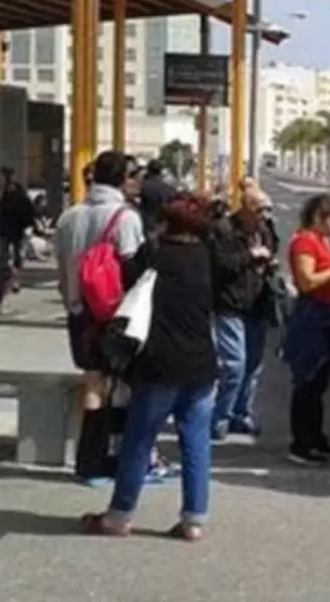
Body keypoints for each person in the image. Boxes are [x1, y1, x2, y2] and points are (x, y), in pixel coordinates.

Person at [80, 193, 219, 541]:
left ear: (167, 223)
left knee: (139, 438)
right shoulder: (207, 257)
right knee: (196, 441)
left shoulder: (155, 254)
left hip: (159, 362)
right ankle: (194, 520)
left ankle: (119, 515)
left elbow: (126, 285)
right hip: (201, 361)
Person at [53, 151, 147, 484]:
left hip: (80, 314)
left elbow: (62, 270)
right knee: (125, 387)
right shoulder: (126, 218)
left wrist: (73, 303)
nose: (138, 180)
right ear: (122, 178)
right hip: (115, 314)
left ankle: (88, 459)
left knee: (93, 383)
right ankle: (119, 458)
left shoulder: (69, 216)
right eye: (134, 173)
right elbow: (133, 269)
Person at [283, 194, 330, 466]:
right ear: (317, 218)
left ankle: (315, 436)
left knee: (320, 380)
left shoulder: (320, 241)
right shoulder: (305, 242)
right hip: (313, 316)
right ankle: (301, 442)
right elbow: (307, 281)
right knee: (308, 381)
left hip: (328, 314)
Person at [208, 194, 273, 440]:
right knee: (235, 363)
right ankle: (219, 416)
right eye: (260, 211)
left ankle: (241, 413)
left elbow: (270, 251)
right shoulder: (224, 230)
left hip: (256, 304)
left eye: (267, 211)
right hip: (230, 304)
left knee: (253, 365)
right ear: (246, 209)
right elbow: (220, 264)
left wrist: (268, 262)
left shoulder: (264, 230)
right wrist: (251, 256)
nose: (264, 216)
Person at [0, 166, 35, 272]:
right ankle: (4, 276)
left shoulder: (18, 189)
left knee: (16, 253)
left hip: (15, 226)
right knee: (4, 253)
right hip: (4, 226)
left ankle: (15, 276)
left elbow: (25, 206)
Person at [137, 159, 177, 234]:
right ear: (161, 171)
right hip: (163, 225)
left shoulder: (143, 186)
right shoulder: (169, 188)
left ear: (148, 170)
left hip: (146, 224)